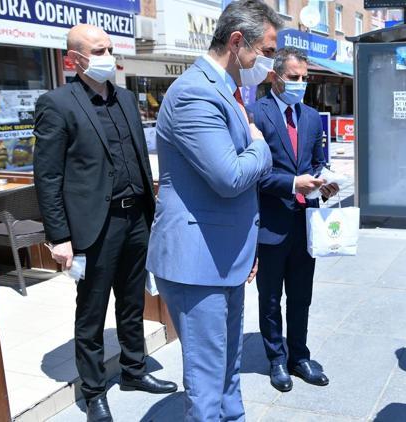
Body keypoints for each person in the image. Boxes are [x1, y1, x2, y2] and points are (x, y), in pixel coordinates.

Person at [33, 24, 177, 422]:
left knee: (133, 302)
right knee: (92, 311)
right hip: (95, 225)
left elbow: (137, 155)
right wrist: (58, 236)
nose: (108, 56)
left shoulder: (127, 98)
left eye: (110, 49)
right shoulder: (57, 103)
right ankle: (94, 390)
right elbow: (47, 177)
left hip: (136, 218)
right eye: (99, 50)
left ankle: (133, 370)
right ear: (74, 59)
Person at [145, 1, 281, 420]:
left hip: (224, 255)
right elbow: (230, 176)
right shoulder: (195, 92)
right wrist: (261, 144)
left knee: (228, 369)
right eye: (267, 50)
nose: (269, 63)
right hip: (196, 261)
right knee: (206, 384)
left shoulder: (225, 87)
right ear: (238, 41)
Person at [246, 47, 339, 392]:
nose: (300, 83)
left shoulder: (313, 117)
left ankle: (299, 356)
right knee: (270, 299)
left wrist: (324, 183)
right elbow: (252, 173)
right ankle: (276, 359)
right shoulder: (255, 114)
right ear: (275, 76)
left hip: (305, 223)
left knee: (301, 296)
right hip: (270, 224)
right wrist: (290, 183)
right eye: (293, 77)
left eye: (304, 78)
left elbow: (316, 162)